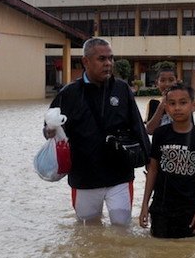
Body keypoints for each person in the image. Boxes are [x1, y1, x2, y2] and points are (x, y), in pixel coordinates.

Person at [43, 37, 150, 225]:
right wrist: (48, 131)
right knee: (88, 232)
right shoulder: (69, 93)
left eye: (111, 58)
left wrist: (149, 161)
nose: (108, 64)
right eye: (102, 59)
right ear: (86, 61)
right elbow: (50, 126)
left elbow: (137, 126)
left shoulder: (122, 89)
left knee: (122, 228)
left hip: (120, 176)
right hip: (85, 178)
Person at [139, 83, 195, 238]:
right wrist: (145, 204)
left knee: (188, 254)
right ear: (166, 107)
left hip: (189, 209)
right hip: (161, 208)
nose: (177, 108)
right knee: (159, 252)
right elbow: (153, 170)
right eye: (172, 104)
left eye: (183, 102)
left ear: (194, 106)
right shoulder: (160, 134)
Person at [145, 65, 178, 135]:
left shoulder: (183, 103)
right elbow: (149, 130)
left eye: (171, 80)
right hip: (160, 145)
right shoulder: (153, 103)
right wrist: (162, 105)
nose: (167, 84)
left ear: (177, 82)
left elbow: (190, 129)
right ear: (157, 83)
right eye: (162, 80)